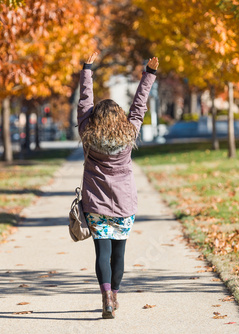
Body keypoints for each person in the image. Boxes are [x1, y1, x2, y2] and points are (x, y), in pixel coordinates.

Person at [77, 52, 158, 319]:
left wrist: (87, 69)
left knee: (102, 250)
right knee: (119, 254)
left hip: (95, 204)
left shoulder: (87, 134)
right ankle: (114, 297)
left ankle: (105, 294)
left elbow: (84, 101)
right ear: (120, 118)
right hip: (124, 204)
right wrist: (149, 74)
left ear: (95, 119)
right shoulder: (130, 133)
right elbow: (139, 106)